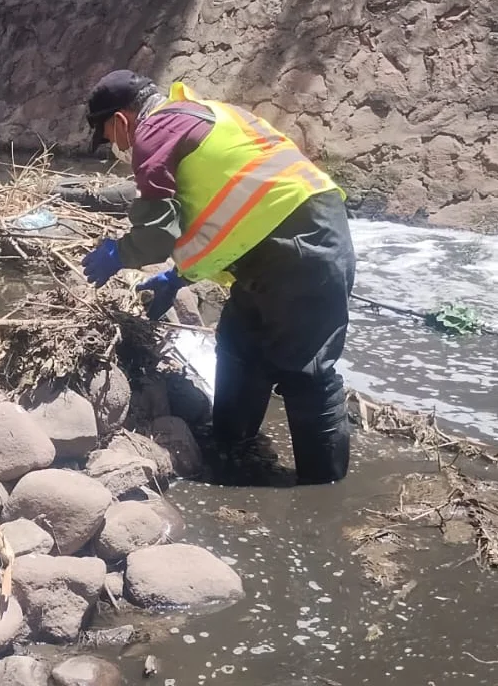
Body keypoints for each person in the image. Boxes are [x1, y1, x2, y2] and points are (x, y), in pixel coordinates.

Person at [79, 69, 357, 486]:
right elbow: (224, 219)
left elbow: (156, 236)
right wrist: (177, 276)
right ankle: (230, 445)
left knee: (307, 372)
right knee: (240, 346)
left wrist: (119, 253)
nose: (115, 146)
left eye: (109, 136)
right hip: (282, 240)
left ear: (120, 120)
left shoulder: (153, 132)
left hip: (302, 242)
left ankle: (323, 495)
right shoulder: (200, 113)